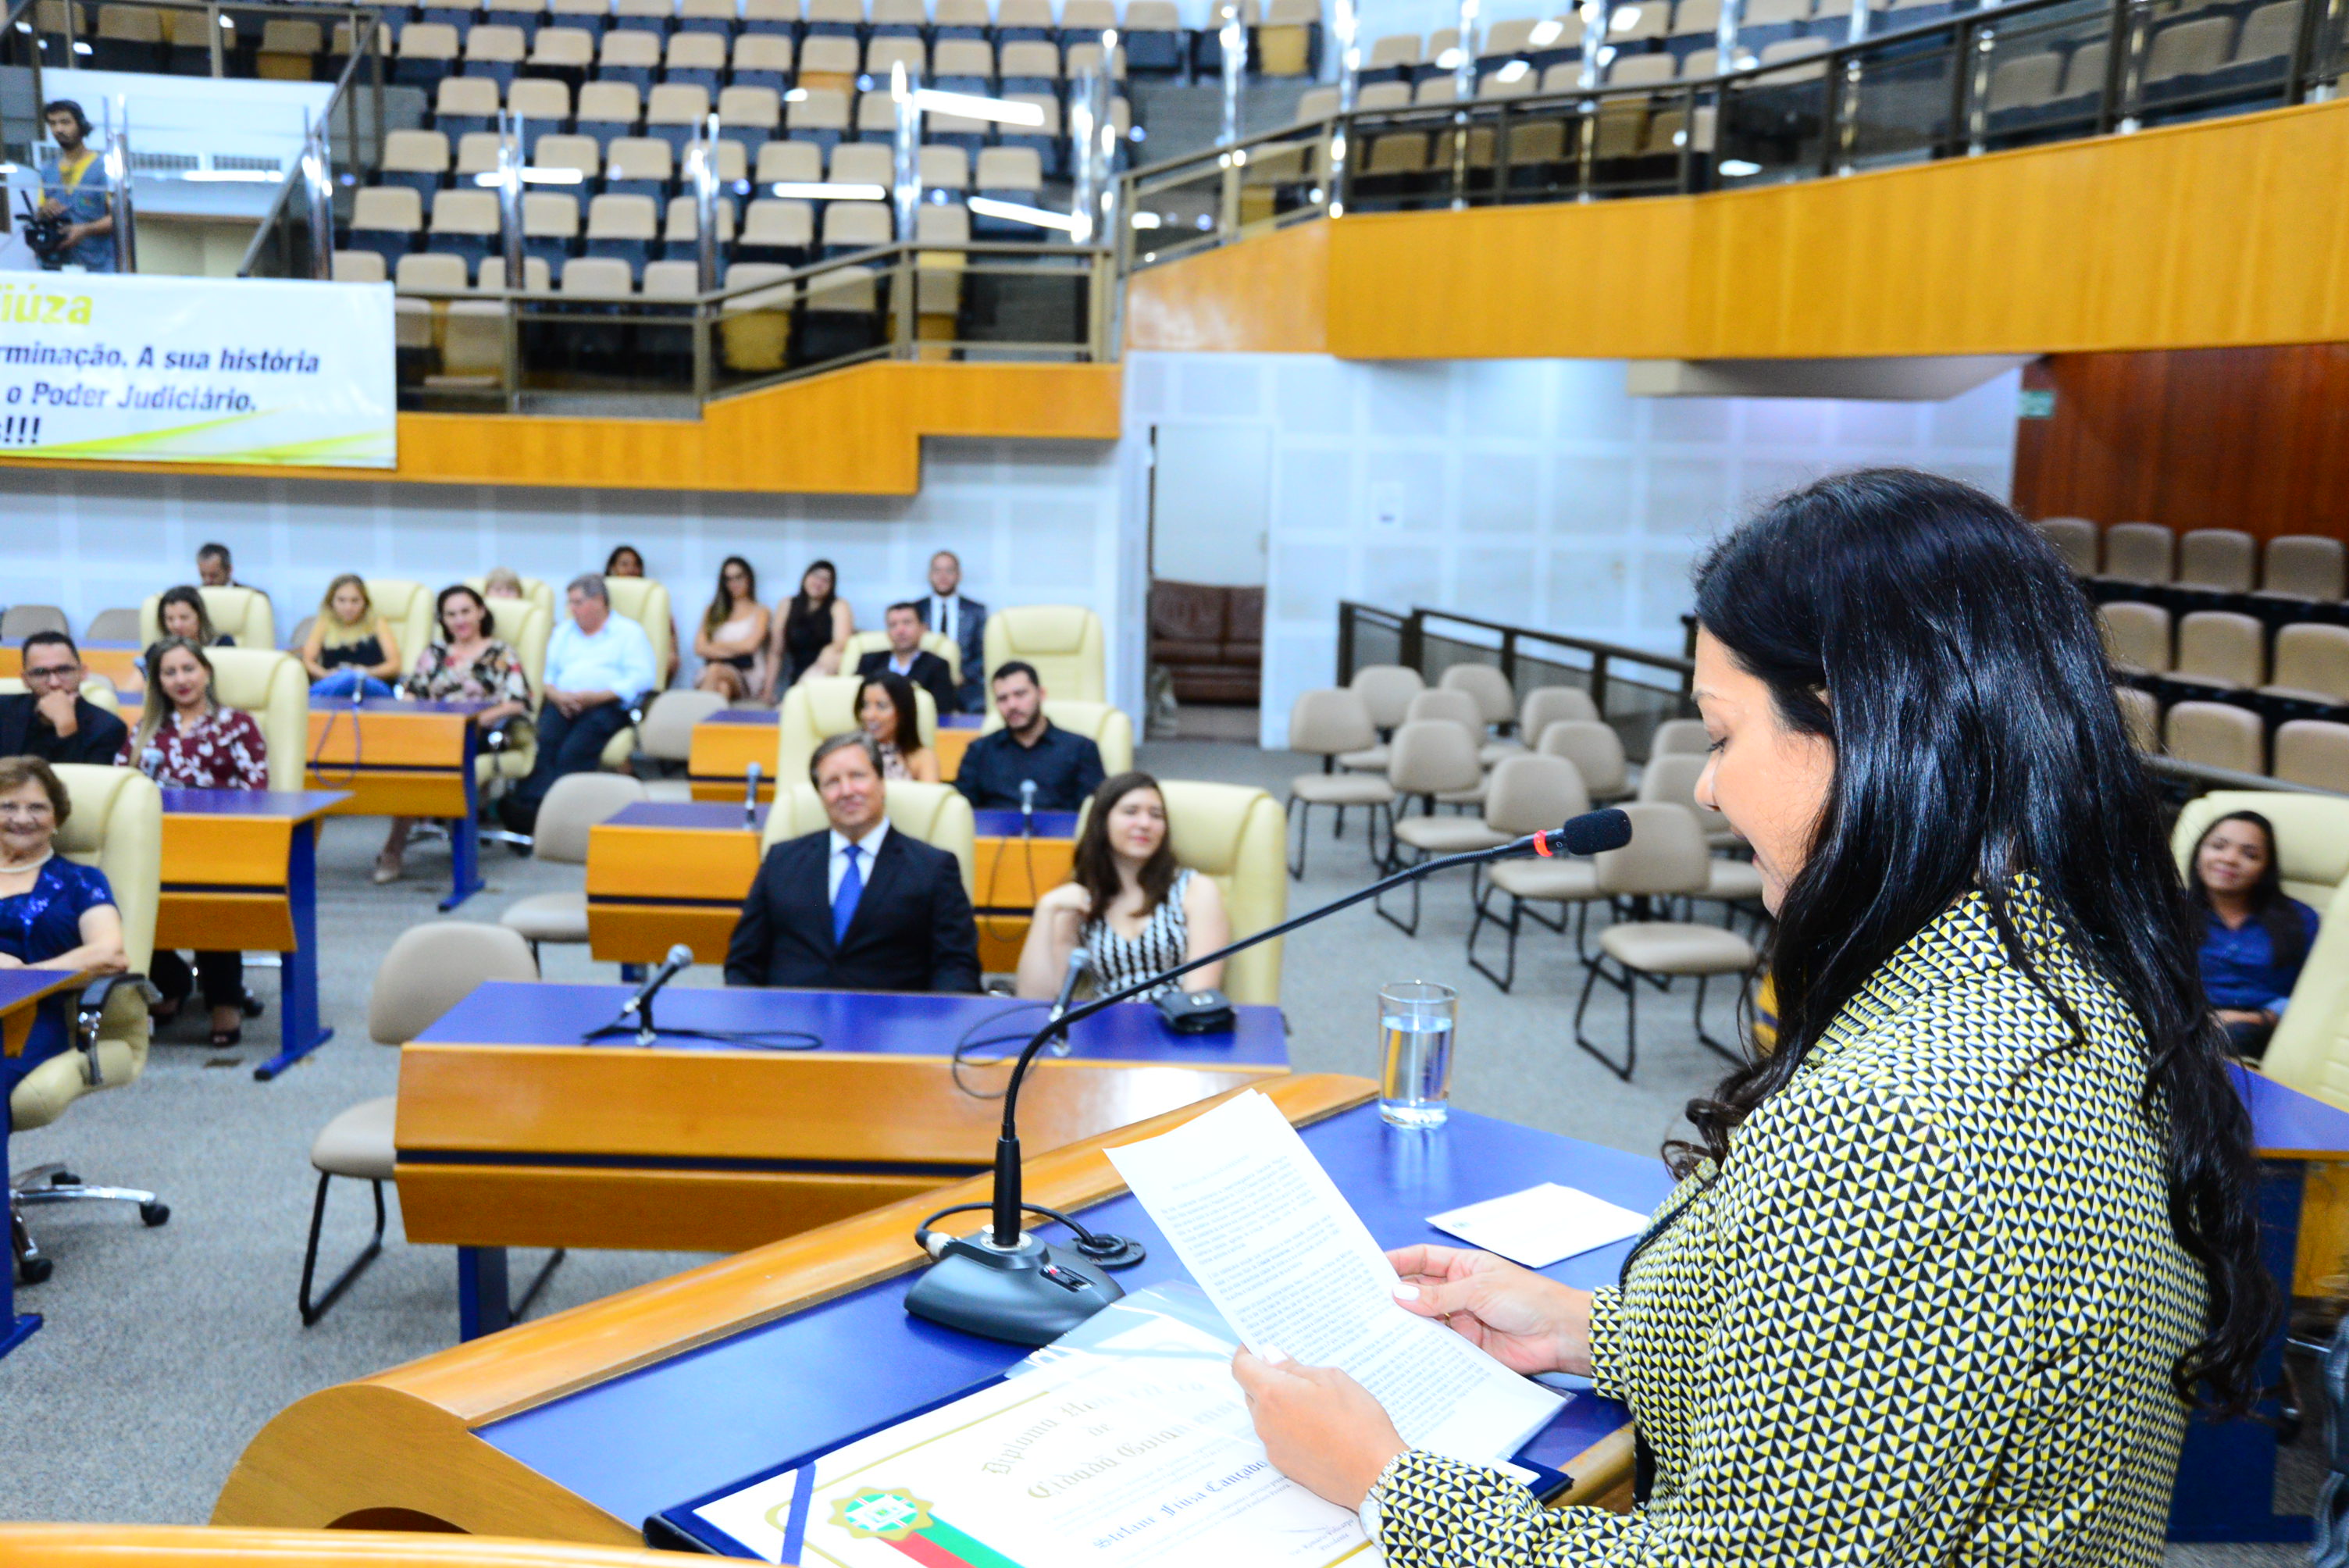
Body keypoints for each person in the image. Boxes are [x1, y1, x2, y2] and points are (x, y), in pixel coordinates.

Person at [1231, 470, 2272, 1566]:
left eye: (1722, 736)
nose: (1705, 788)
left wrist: (1386, 1481)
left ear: (1856, 729)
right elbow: (1883, 1377)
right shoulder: (2065, 990)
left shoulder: (1896, 1127)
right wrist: (1587, 1330)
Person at [723, 732, 980, 993]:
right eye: (832, 782)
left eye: (857, 776)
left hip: (893, 1017)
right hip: (791, 1016)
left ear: (881, 783)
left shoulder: (934, 868)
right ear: (820, 795)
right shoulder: (781, 861)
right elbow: (743, 963)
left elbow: (956, 967)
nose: (846, 791)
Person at [118, 638, 269, 1046]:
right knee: (129, 902)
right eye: (169, 672)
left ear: (207, 673)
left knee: (211, 902)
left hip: (219, 842)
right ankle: (173, 982)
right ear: (158, 682)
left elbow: (257, 789)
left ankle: (225, 999)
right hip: (154, 842)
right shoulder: (148, 727)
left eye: (189, 669)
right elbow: (121, 785)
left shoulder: (237, 724)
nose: (181, 680)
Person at [1016, 771, 1228, 1002]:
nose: (1145, 824)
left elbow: (1198, 998)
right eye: (1131, 812)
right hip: (1105, 1021)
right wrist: (1046, 910)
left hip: (1175, 1019)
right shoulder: (1081, 899)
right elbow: (1036, 997)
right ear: (1102, 822)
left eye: (1156, 815)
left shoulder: (1195, 889)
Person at [376, 586, 534, 884]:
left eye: (465, 612)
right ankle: (394, 846)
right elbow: (412, 692)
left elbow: (517, 702)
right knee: (406, 760)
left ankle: (397, 847)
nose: (459, 620)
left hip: (482, 732)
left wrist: (473, 721)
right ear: (443, 620)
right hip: (434, 732)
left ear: (480, 612)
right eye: (451, 614)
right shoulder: (434, 653)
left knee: (428, 759)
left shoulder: (501, 653)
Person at [0, 757, 127, 1106]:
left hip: (26, 1023)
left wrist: (25, 978)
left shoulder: (81, 881)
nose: (22, 819)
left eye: (37, 808)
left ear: (56, 818)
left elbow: (111, 954)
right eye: (8, 806)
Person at [497, 574, 657, 836]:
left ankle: (557, 814)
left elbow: (642, 678)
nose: (572, 609)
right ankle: (529, 808)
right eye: (570, 603)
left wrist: (597, 697)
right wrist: (557, 696)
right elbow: (547, 676)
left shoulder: (628, 632)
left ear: (599, 601)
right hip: (563, 702)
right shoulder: (564, 632)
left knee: (574, 751)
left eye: (577, 602)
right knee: (544, 742)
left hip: (608, 705)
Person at [2188, 810, 2319, 1061]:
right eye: (2218, 846)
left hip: (2259, 1029)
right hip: (2181, 1019)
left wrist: (2260, 1018)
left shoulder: (2300, 919)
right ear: (2198, 854)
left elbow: (2316, 993)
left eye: (2250, 854)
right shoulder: (2169, 908)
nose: (2229, 859)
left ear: (2265, 868)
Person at [955, 661, 1105, 812]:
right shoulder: (979, 751)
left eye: (1020, 694)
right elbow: (963, 811)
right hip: (994, 827)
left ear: (1041, 694)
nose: (1012, 705)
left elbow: (1095, 813)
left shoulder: (1082, 749)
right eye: (1003, 699)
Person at [0, 631, 127, 765]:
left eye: (63, 670)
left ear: (83, 673)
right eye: (40, 673)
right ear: (25, 680)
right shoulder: (3, 711)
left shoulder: (108, 728)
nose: (54, 683)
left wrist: (66, 728)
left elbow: (83, 778)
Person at [35, 101, 112, 273]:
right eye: (53, 123)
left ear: (81, 124)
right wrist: (44, 211)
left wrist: (85, 230)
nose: (58, 129)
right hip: (56, 264)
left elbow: (118, 218)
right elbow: (39, 214)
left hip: (97, 267)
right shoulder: (47, 170)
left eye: (65, 122)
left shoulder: (104, 168)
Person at [301, 574, 403, 700]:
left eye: (355, 601)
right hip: (334, 683)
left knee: (351, 678)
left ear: (365, 602)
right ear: (331, 602)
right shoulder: (324, 622)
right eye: (342, 600)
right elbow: (308, 661)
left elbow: (394, 665)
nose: (348, 607)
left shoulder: (377, 623)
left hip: (371, 683)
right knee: (344, 678)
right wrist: (326, 675)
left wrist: (365, 672)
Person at [854, 601, 958, 715]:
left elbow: (943, 710)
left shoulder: (938, 666)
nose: (900, 630)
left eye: (907, 623)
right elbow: (856, 701)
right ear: (887, 632)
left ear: (923, 628)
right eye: (893, 625)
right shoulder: (869, 661)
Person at [916, 550, 987, 714]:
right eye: (937, 570)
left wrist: (962, 676)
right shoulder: (917, 610)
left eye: (949, 570)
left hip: (965, 684)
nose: (943, 576)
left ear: (959, 575)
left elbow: (984, 653)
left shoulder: (976, 611)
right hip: (924, 681)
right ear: (930, 575)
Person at [768, 560, 853, 695]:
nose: (819, 582)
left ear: (832, 586)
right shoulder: (787, 604)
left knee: (833, 656)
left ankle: (795, 697)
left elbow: (841, 643)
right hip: (798, 673)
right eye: (815, 576)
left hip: (827, 669)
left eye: (826, 580)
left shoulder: (839, 605)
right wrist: (768, 689)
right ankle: (795, 695)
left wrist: (826, 654)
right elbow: (776, 651)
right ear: (805, 577)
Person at [693, 556, 769, 703]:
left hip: (746, 673)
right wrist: (736, 649)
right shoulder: (712, 610)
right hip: (715, 672)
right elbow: (700, 648)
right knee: (723, 687)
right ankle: (709, 717)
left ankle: (697, 715)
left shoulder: (761, 612)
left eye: (739, 577)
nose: (734, 583)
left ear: (749, 578)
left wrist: (715, 647)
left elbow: (750, 646)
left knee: (716, 669)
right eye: (729, 579)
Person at [605, 543, 679, 690]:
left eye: (636, 565)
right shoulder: (599, 597)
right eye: (624, 564)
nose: (631, 570)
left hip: (644, 653)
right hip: (610, 653)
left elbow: (670, 637)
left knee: (670, 659)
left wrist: (671, 653)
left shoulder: (654, 597)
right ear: (612, 568)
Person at [857, 672, 938, 782]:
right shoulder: (849, 753)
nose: (870, 715)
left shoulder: (922, 758)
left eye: (881, 706)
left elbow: (930, 792)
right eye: (865, 705)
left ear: (903, 711)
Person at [155, 585, 233, 648]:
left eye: (184, 618)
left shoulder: (222, 644)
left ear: (200, 616)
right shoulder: (156, 650)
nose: (177, 625)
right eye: (170, 619)